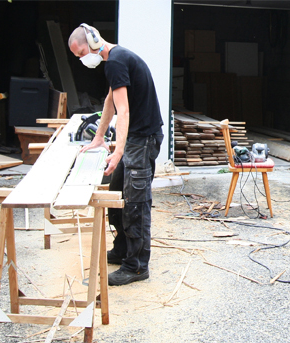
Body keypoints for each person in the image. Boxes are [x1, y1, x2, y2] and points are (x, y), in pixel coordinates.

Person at [68, 24, 164, 285]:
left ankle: (136, 267)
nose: (81, 59)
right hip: (135, 138)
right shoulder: (115, 59)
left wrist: (118, 150)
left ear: (94, 41)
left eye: (81, 53)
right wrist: (99, 138)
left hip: (142, 139)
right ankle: (122, 250)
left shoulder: (115, 62)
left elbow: (124, 110)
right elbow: (110, 102)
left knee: (135, 204)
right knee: (118, 195)